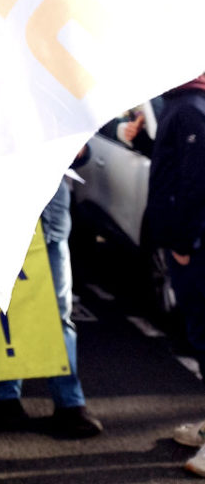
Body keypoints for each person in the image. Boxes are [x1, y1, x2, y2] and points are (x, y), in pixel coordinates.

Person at [0, 171, 103, 439]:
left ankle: (69, 404)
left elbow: (82, 150)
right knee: (7, 311)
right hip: (2, 221)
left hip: (50, 225)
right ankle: (8, 398)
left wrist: (82, 150)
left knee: (57, 315)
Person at [145, 72, 205, 475]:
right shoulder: (182, 107)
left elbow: (196, 182)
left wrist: (183, 243)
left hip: (197, 249)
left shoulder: (191, 110)